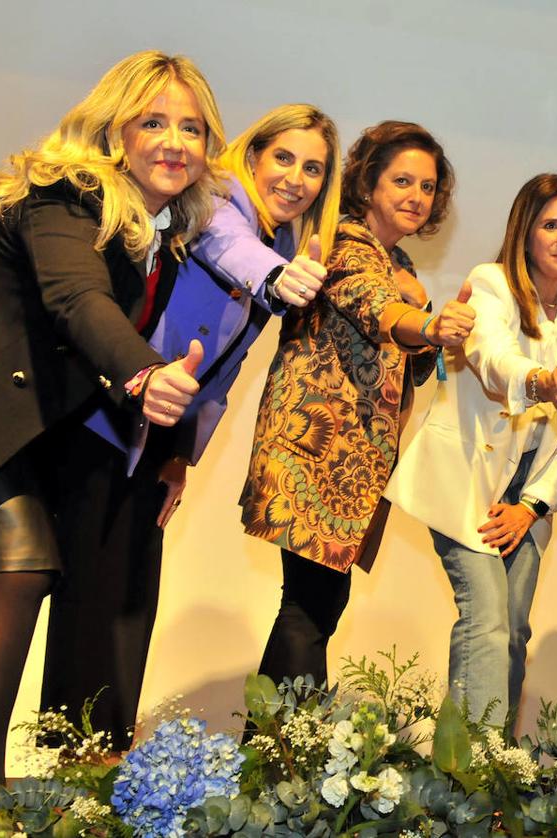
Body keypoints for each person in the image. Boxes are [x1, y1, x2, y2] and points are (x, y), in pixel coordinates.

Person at [38, 105, 342, 750]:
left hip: (162, 429)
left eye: (313, 168)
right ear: (252, 155)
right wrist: (277, 277)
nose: (295, 178)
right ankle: (74, 754)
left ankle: (102, 750)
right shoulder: (220, 199)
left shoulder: (285, 240)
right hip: (110, 406)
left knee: (128, 592)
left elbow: (222, 368)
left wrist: (181, 455)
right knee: (88, 590)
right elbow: (223, 245)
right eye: (283, 157)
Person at [0, 50, 223, 782]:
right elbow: (76, 301)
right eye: (153, 122)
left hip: (36, 433)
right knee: (24, 564)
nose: (174, 142)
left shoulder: (163, 239)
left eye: (191, 128)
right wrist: (145, 374)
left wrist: (173, 444)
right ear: (116, 130)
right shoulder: (63, 195)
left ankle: (39, 780)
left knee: (54, 574)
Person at [240, 120, 474, 689]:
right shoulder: (345, 241)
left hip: (354, 467)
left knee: (316, 607)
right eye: (402, 181)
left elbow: (411, 359)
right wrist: (423, 321)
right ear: (367, 183)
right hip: (313, 454)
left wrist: (434, 331)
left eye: (427, 187)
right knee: (308, 609)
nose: (416, 196)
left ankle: (281, 752)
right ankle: (279, 758)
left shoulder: (405, 268)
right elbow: (375, 309)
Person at [387, 173, 557, 729]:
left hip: (529, 493)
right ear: (525, 233)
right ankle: (477, 771)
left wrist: (532, 506)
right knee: (484, 622)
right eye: (550, 224)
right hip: (467, 479)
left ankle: (474, 768)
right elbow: (493, 361)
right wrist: (541, 383)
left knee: (511, 631)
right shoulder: (492, 284)